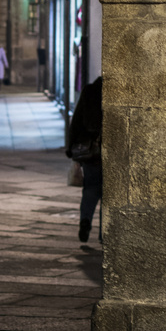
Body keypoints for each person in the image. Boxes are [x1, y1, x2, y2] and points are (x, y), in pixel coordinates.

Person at [66, 75, 102, 242]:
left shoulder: (90, 90)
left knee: (90, 188)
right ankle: (104, 233)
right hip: (113, 152)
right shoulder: (119, 92)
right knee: (109, 194)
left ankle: (85, 220)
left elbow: (77, 120)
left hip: (91, 152)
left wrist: (71, 147)